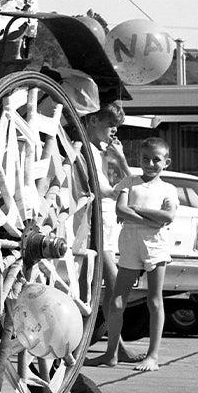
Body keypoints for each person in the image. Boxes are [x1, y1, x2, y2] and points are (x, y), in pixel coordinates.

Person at [100, 136, 178, 371]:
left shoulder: (168, 189)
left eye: (156, 160)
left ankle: (153, 356)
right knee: (116, 301)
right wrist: (149, 220)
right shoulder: (129, 182)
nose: (150, 164)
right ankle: (111, 353)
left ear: (166, 162)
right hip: (130, 243)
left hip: (155, 245)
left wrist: (138, 209)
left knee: (154, 300)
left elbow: (168, 216)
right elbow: (120, 209)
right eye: (146, 159)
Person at [80, 99, 132, 367]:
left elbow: (130, 183)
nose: (114, 130)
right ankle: (113, 347)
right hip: (94, 220)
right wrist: (118, 191)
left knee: (104, 286)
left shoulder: (102, 151)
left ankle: (114, 346)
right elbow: (98, 188)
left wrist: (120, 160)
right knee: (113, 283)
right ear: (93, 120)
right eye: (110, 124)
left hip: (108, 220)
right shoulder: (83, 149)